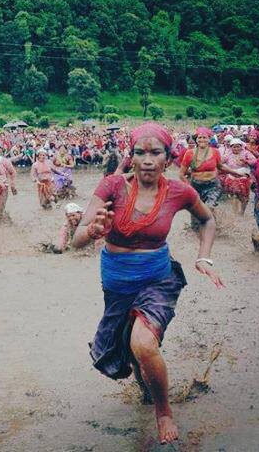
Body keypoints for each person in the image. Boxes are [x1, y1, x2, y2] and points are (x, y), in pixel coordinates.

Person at [72, 122, 223, 445]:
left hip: (158, 279)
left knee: (143, 343)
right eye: (140, 152)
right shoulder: (112, 187)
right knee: (128, 352)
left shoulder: (180, 191)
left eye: (156, 153)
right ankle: (147, 385)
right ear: (132, 157)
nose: (148, 160)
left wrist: (204, 257)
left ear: (168, 158)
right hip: (117, 283)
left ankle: (164, 411)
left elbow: (207, 218)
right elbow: (76, 238)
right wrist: (93, 232)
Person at [179, 127, 246, 230]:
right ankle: (197, 229)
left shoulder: (215, 152)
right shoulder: (190, 153)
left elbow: (221, 167)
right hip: (195, 186)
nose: (202, 140)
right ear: (196, 139)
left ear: (209, 139)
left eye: (205, 137)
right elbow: (181, 174)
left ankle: (212, 227)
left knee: (209, 207)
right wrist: (189, 188)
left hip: (213, 186)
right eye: (200, 137)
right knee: (196, 215)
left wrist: (236, 172)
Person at [220, 138, 257, 214]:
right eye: (234, 147)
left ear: (241, 147)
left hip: (244, 178)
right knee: (234, 195)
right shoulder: (228, 154)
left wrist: (246, 161)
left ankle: (242, 212)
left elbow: (254, 161)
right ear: (231, 147)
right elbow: (220, 162)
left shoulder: (246, 153)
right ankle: (235, 213)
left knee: (244, 197)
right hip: (232, 178)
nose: (236, 148)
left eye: (238, 146)